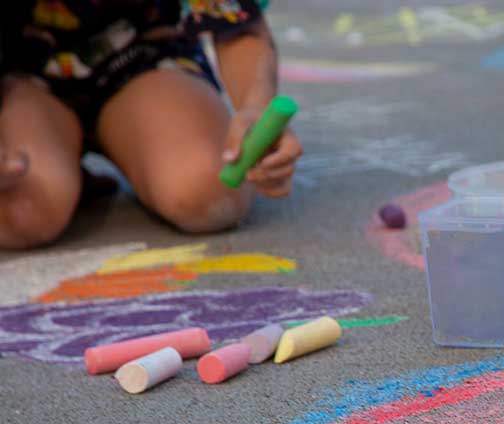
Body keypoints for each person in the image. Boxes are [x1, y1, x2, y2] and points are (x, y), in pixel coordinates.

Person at [0, 0, 302, 250]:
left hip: (142, 54)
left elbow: (236, 25)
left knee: (208, 190)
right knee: (22, 213)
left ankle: (101, 155)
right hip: (24, 76)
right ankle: (62, 164)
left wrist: (254, 108)